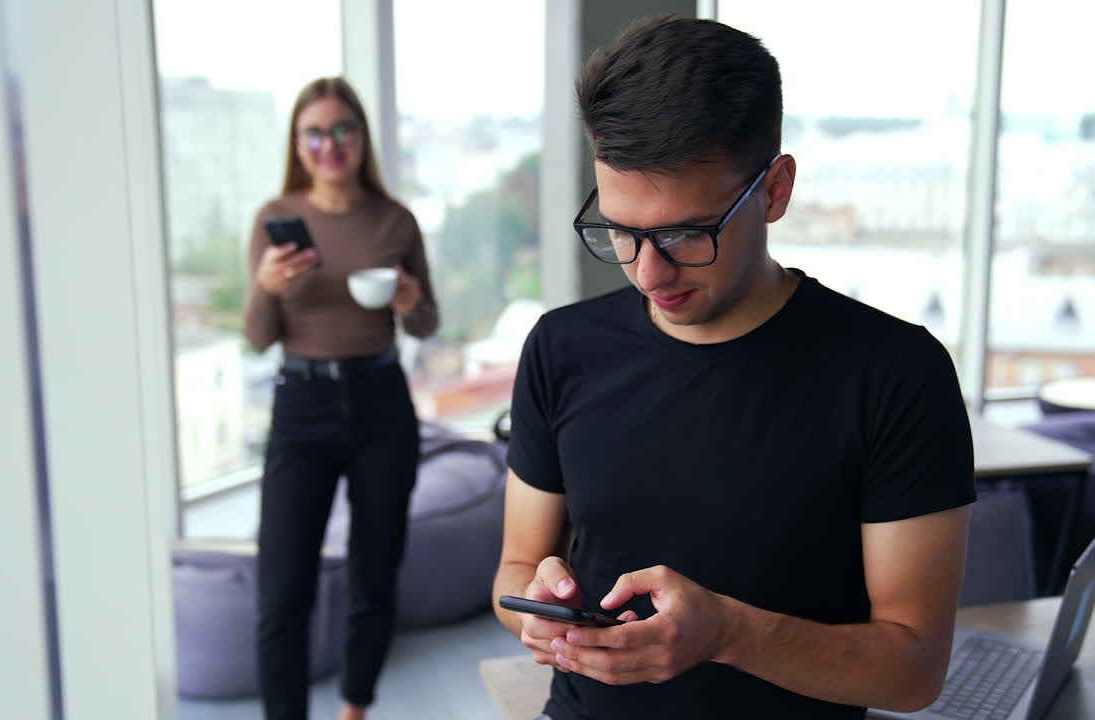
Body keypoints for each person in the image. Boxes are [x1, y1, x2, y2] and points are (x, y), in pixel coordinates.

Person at [492, 17, 975, 720]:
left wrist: (728, 635)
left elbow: (913, 672)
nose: (648, 271)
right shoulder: (561, 349)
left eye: (687, 232)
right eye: (621, 231)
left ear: (774, 190)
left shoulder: (896, 374)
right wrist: (536, 615)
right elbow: (514, 570)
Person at [243, 76, 438, 720]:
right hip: (300, 404)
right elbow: (256, 336)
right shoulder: (275, 220)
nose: (330, 144)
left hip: (381, 401)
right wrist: (267, 287)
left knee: (373, 579)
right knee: (282, 593)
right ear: (298, 144)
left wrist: (410, 301)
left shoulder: (394, 220)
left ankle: (355, 710)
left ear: (361, 138)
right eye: (315, 133)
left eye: (342, 129)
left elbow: (426, 323)